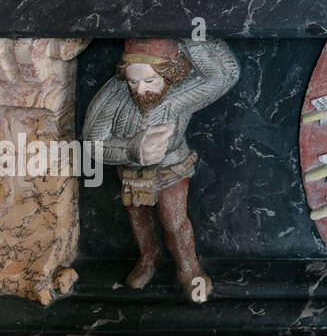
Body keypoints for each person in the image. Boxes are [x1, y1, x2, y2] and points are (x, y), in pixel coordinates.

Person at [82, 39, 240, 301]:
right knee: (138, 217)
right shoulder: (114, 95)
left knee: (174, 220)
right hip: (131, 171)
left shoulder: (180, 92)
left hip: (171, 167)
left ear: (169, 74)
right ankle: (148, 258)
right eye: (133, 82)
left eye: (149, 81)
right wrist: (132, 149)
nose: (140, 90)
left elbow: (225, 75)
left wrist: (191, 39)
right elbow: (91, 143)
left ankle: (189, 269)